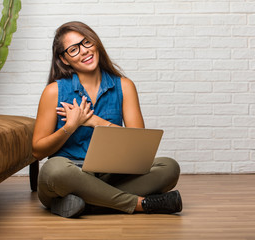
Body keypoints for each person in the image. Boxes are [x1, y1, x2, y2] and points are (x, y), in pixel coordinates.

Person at [32, 21, 182, 218]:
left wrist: (94, 121)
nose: (84, 51)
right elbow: (37, 151)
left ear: (95, 43)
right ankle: (140, 204)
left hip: (110, 175)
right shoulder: (54, 91)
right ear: (64, 59)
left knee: (169, 167)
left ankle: (83, 203)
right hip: (69, 175)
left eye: (86, 42)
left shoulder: (124, 86)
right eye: (74, 49)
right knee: (54, 170)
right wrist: (70, 126)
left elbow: (138, 143)